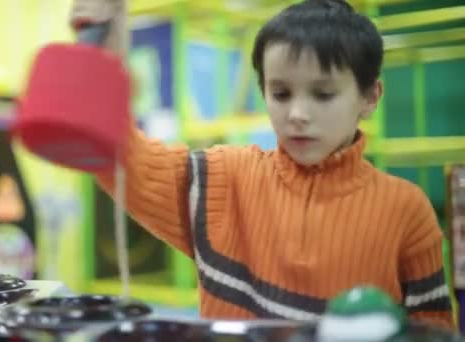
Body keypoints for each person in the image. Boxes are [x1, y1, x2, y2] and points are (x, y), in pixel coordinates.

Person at [70, 0, 454, 329]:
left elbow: (434, 332)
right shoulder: (223, 180)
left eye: (323, 94)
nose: (298, 114)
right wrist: (101, 49)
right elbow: (122, 156)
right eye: (281, 93)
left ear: (371, 97)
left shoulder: (407, 212)